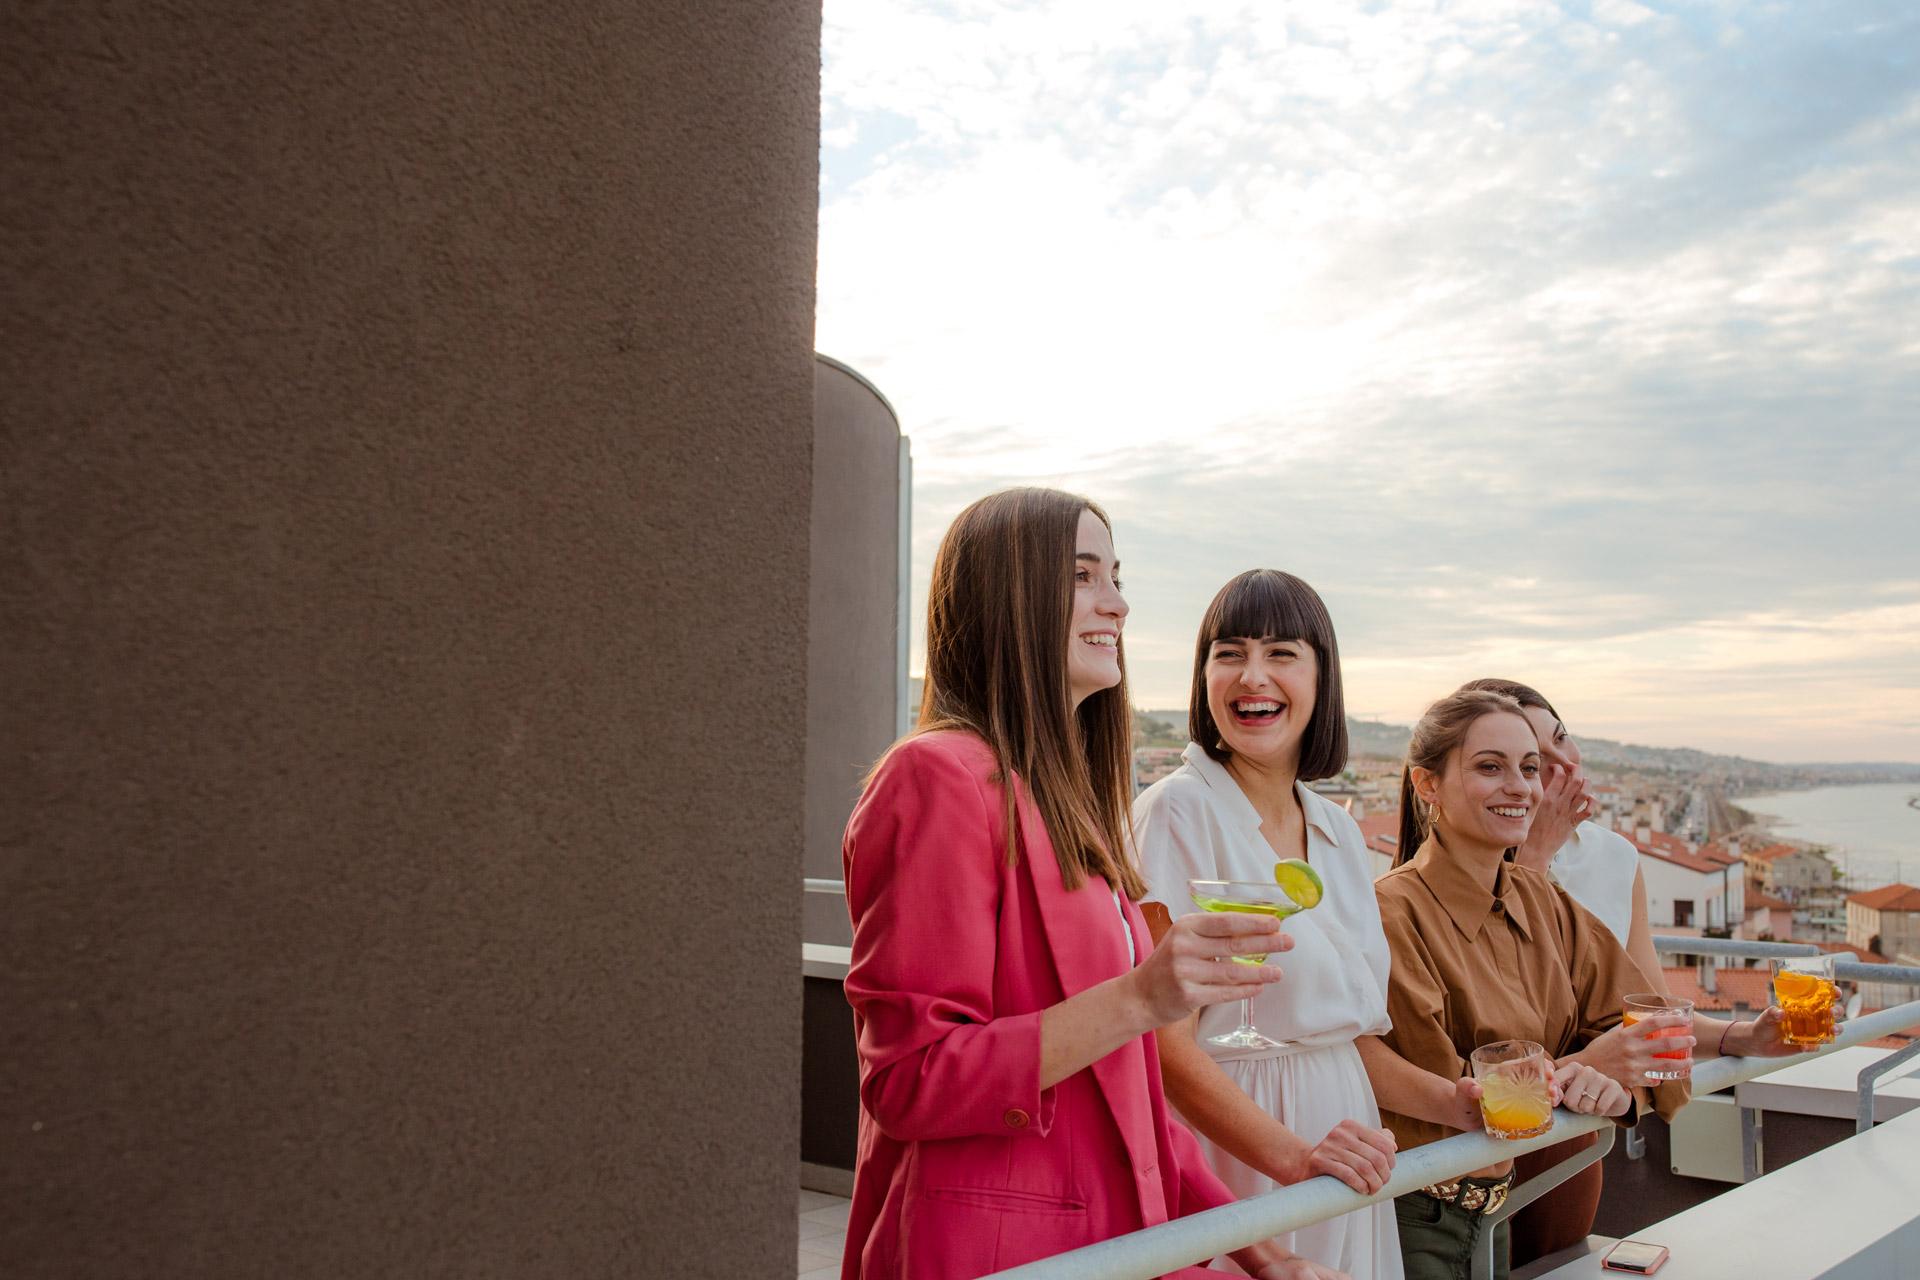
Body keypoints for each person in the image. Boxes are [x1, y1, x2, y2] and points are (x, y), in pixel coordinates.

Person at [841, 488, 1346, 1280]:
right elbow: (910, 1081)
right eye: (1083, 575)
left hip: (1116, 1248)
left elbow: (1134, 1104)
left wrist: (1262, 1254)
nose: (1118, 602)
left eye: (1115, 576)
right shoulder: (935, 777)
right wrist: (1143, 997)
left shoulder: (1063, 802)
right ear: (1005, 596)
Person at [1453, 677, 1807, 1268]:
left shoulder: (1615, 856)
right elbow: (1497, 984)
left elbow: (1644, 1002)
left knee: (1557, 1264)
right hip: (1483, 1127)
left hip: (1577, 1123)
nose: (1565, 764)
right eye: (1539, 759)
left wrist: (1744, 1036)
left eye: (1563, 740)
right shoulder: (1464, 864)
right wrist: (1534, 856)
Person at [1357, 689, 1692, 1280]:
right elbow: (1460, 1097)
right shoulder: (1390, 914)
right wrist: (1591, 1063)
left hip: (1505, 1206)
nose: (1520, 786)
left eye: (1529, 768)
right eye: (1490, 767)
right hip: (1415, 1220)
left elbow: (1656, 1039)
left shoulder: (1542, 899)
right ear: (1426, 785)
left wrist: (1617, 1091)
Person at [1133, 570, 1402, 1279]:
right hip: (1242, 1153)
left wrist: (1460, 1105)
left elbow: (1351, 1037)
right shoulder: (1177, 813)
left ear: (1323, 677)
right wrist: (1291, 1157)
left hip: (1347, 1147)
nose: (1253, 675)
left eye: (1282, 653)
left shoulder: (1339, 832)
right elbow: (1162, 1045)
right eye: (1229, 652)